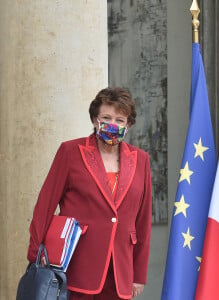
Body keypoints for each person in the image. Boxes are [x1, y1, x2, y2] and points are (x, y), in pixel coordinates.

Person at [27, 87, 152, 300]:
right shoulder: (70, 152)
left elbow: (142, 221)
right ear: (95, 120)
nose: (113, 124)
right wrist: (36, 254)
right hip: (77, 265)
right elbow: (45, 206)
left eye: (120, 120)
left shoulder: (141, 160)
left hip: (120, 270)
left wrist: (138, 274)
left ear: (128, 125)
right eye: (106, 117)